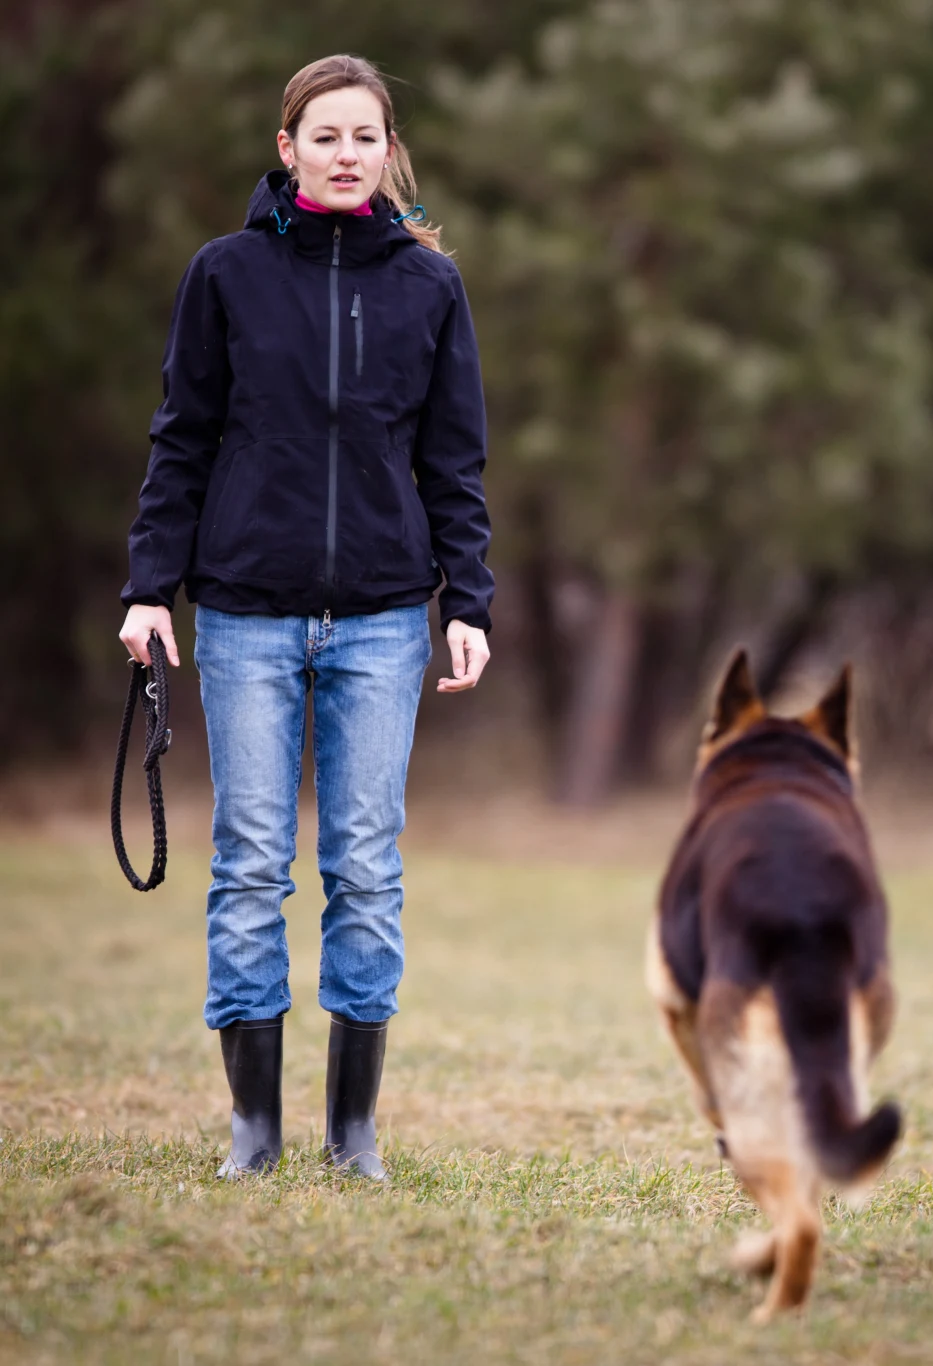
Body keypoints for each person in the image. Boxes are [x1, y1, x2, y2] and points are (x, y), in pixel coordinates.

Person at [118, 54, 492, 1181]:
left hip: (383, 617)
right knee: (248, 864)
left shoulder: (431, 286)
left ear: (388, 153)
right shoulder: (225, 274)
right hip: (242, 615)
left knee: (367, 866)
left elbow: (454, 460)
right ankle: (253, 1131)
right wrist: (149, 583)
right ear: (286, 150)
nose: (343, 153)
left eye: (363, 136)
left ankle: (354, 1131)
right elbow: (181, 437)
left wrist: (465, 601)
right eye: (322, 135)